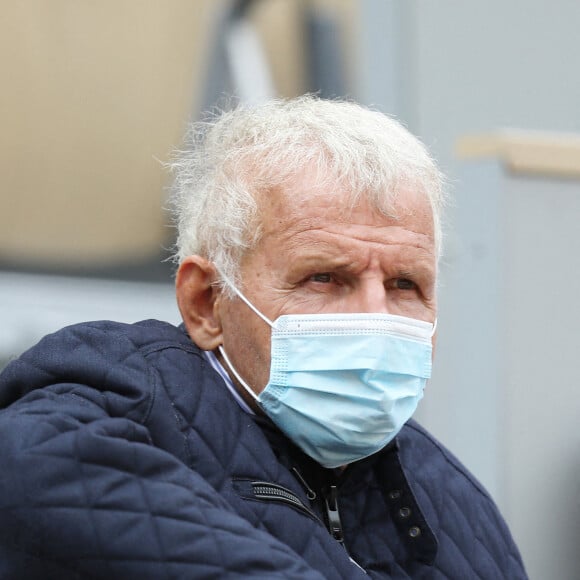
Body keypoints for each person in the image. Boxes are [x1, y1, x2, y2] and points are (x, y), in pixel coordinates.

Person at [0, 96, 527, 579]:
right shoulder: (115, 407)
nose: (375, 317)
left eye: (404, 283)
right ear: (206, 301)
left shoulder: (458, 506)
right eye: (324, 278)